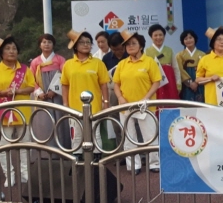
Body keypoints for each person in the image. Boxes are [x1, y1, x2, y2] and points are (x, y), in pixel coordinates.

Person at [0, 36, 36, 187]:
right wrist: (3, 92)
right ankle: (9, 175)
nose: (11, 51)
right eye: (7, 48)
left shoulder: (25, 69)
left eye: (14, 48)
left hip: (23, 112)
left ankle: (25, 174)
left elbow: (32, 87)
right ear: (1, 53)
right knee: (4, 145)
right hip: (4, 112)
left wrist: (19, 90)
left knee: (25, 144)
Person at [113, 30, 161, 174]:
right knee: (129, 137)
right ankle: (133, 165)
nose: (130, 46)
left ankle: (154, 163)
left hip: (145, 105)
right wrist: (120, 97)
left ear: (141, 46)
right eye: (127, 44)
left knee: (150, 136)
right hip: (125, 106)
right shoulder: (122, 64)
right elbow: (116, 84)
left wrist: (147, 97)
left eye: (133, 43)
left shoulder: (149, 61)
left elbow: (156, 82)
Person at [62, 30, 111, 153]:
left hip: (94, 107)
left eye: (88, 42)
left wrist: (106, 103)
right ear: (75, 46)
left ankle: (96, 161)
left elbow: (104, 85)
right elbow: (65, 85)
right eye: (82, 42)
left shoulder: (98, 63)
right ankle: (77, 161)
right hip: (74, 107)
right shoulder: (68, 64)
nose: (86, 45)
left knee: (96, 135)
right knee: (76, 137)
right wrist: (65, 104)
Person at [30, 33, 69, 150]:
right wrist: (39, 92)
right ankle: (45, 149)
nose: (46, 44)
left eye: (49, 42)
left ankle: (62, 147)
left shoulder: (60, 60)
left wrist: (54, 91)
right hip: (42, 96)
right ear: (40, 45)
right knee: (43, 120)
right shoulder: (35, 62)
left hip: (57, 95)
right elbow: (31, 80)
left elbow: (64, 76)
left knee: (60, 119)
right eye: (44, 42)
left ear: (53, 45)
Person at [145, 23, 181, 99]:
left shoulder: (169, 50)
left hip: (170, 81)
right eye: (155, 35)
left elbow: (176, 68)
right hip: (154, 82)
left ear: (164, 36)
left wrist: (178, 83)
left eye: (160, 35)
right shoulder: (147, 51)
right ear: (151, 37)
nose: (158, 37)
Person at [176, 29, 205, 102]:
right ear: (183, 41)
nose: (188, 40)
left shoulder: (203, 55)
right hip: (186, 85)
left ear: (194, 39)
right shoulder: (179, 55)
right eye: (186, 39)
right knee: (187, 104)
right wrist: (190, 83)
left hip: (199, 83)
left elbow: (204, 70)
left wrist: (196, 82)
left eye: (190, 38)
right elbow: (180, 70)